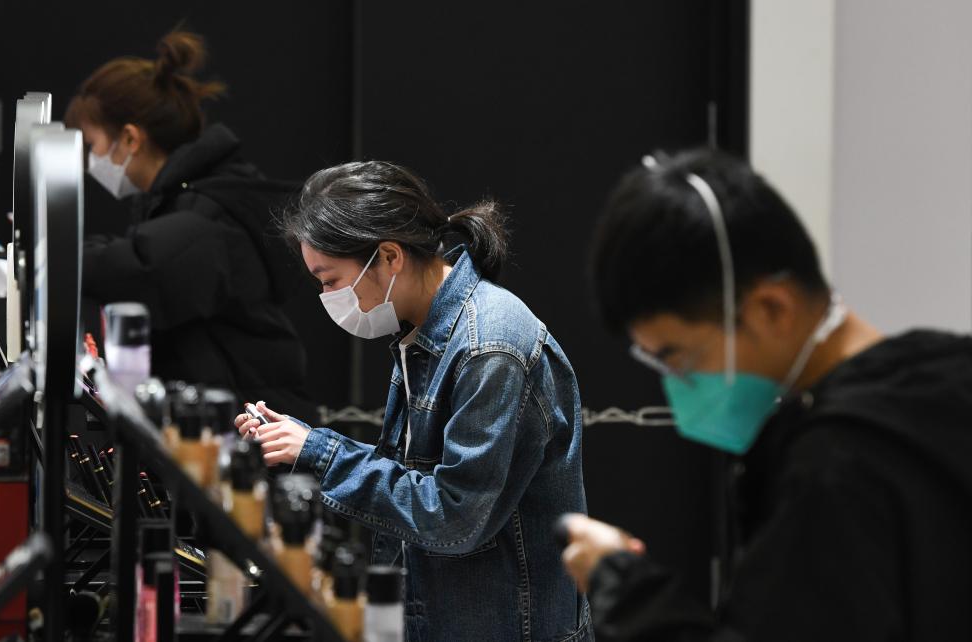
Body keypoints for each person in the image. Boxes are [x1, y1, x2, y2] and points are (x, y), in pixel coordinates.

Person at [564, 148, 972, 641]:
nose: (676, 385)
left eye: (678, 357)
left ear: (771, 308)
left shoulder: (836, 469)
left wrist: (623, 589)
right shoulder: (948, 375)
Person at [234, 161, 593, 641]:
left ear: (389, 256)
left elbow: (453, 516)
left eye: (330, 280)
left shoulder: (490, 348)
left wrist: (321, 454)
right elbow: (415, 482)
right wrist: (300, 445)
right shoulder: (423, 332)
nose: (326, 296)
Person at [65, 31, 315, 422]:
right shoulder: (188, 197)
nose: (90, 161)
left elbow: (142, 268)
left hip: (253, 423)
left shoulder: (208, 211)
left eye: (92, 145)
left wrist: (57, 253)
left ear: (129, 138)